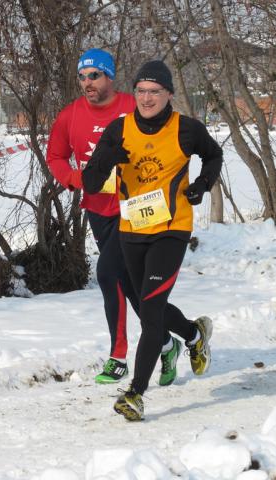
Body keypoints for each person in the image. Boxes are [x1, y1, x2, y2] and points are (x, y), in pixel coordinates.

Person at [83, 60, 223, 421]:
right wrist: (106, 161)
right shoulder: (119, 129)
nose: (147, 98)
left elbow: (214, 155)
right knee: (148, 308)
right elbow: (89, 181)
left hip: (171, 229)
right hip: (132, 230)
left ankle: (135, 394)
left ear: (169, 95)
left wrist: (201, 186)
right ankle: (193, 333)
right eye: (141, 91)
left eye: (155, 92)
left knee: (151, 313)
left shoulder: (186, 130)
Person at [45, 49, 182, 386]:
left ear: (109, 77)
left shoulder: (133, 107)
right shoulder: (70, 115)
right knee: (133, 287)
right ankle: (173, 340)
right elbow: (56, 156)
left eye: (95, 75)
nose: (87, 82)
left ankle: (118, 356)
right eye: (82, 76)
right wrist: (78, 179)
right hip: (97, 209)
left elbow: (164, 142)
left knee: (107, 274)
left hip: (135, 208)